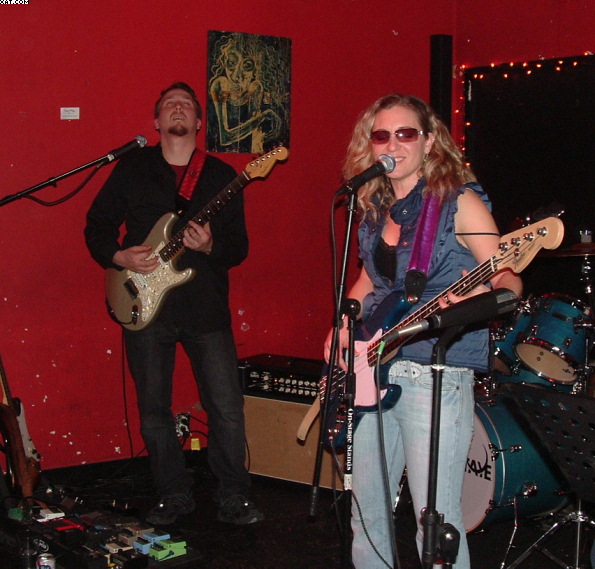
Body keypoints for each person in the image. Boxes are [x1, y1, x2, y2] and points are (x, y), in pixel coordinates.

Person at [324, 94, 523, 569]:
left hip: (436, 374)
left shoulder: (459, 202)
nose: (393, 144)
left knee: (436, 521)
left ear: (429, 141)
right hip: (375, 369)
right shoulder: (375, 208)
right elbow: (371, 281)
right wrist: (342, 324)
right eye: (381, 135)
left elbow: (508, 278)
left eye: (405, 133)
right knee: (366, 513)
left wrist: (473, 306)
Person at [84, 81, 263, 526]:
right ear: (157, 121)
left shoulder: (221, 176)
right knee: (153, 410)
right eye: (169, 105)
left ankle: (234, 495)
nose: (178, 109)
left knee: (226, 407)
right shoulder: (132, 167)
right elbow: (97, 225)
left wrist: (210, 246)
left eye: (186, 105)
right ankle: (173, 493)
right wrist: (119, 257)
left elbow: (239, 246)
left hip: (205, 308)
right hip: (144, 307)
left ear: (199, 122)